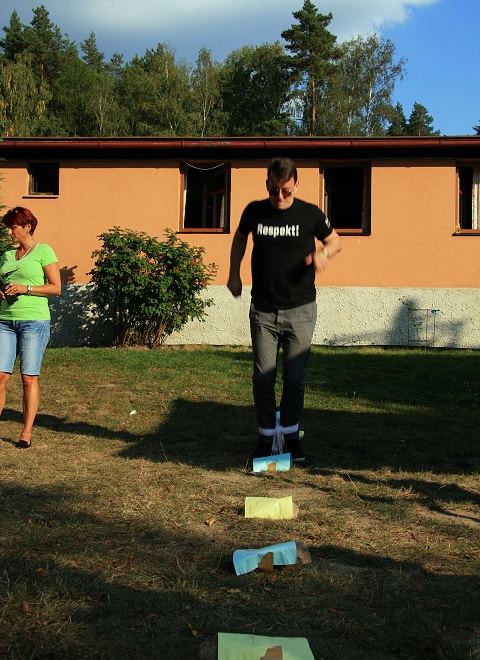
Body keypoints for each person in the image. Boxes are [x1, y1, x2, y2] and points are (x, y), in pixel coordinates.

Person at [227, 157, 342, 462]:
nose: (280, 197)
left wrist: (323, 254)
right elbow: (239, 238)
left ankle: (290, 437)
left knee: (294, 378)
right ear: (267, 184)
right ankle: (266, 439)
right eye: (274, 190)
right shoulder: (254, 211)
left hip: (301, 310)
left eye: (286, 191)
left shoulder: (310, 214)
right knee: (263, 377)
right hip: (263, 312)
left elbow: (335, 242)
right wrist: (234, 273)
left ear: (296, 185)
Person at [0, 207, 61, 448]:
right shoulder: (6, 256)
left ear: (27, 226)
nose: (9, 232)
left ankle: (26, 433)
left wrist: (25, 288)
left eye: (13, 227)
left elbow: (56, 287)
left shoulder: (44, 251)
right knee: (0, 376)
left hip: (33, 322)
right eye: (8, 227)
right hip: (4, 321)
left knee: (28, 378)